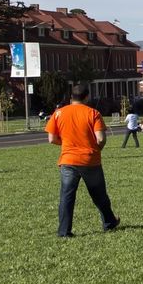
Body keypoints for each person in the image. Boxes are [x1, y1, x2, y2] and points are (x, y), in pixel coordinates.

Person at [46, 84, 120, 238]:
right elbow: (100, 138)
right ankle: (109, 222)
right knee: (99, 195)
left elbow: (51, 139)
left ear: (70, 97)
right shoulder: (93, 113)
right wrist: (96, 148)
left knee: (66, 196)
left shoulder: (59, 113)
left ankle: (64, 231)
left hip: (67, 160)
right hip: (90, 160)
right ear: (86, 97)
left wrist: (66, 143)